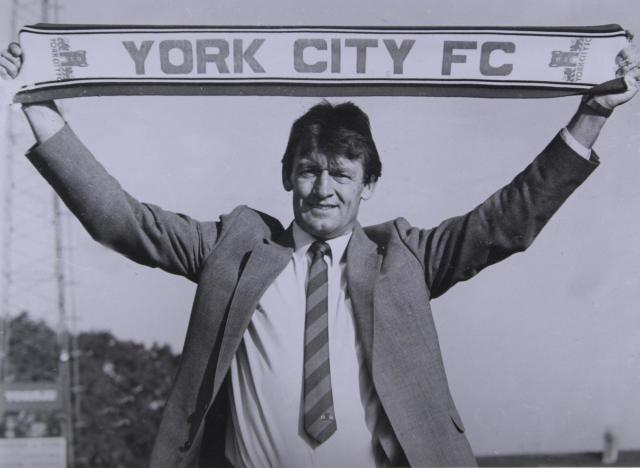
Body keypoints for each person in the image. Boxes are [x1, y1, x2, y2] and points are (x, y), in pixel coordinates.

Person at [1, 41, 639, 468]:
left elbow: (507, 220)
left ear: (368, 184)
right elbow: (123, 221)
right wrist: (40, 109)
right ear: (286, 177)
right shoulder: (237, 247)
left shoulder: (405, 258)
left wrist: (590, 118)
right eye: (308, 170)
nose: (323, 187)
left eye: (341, 172)